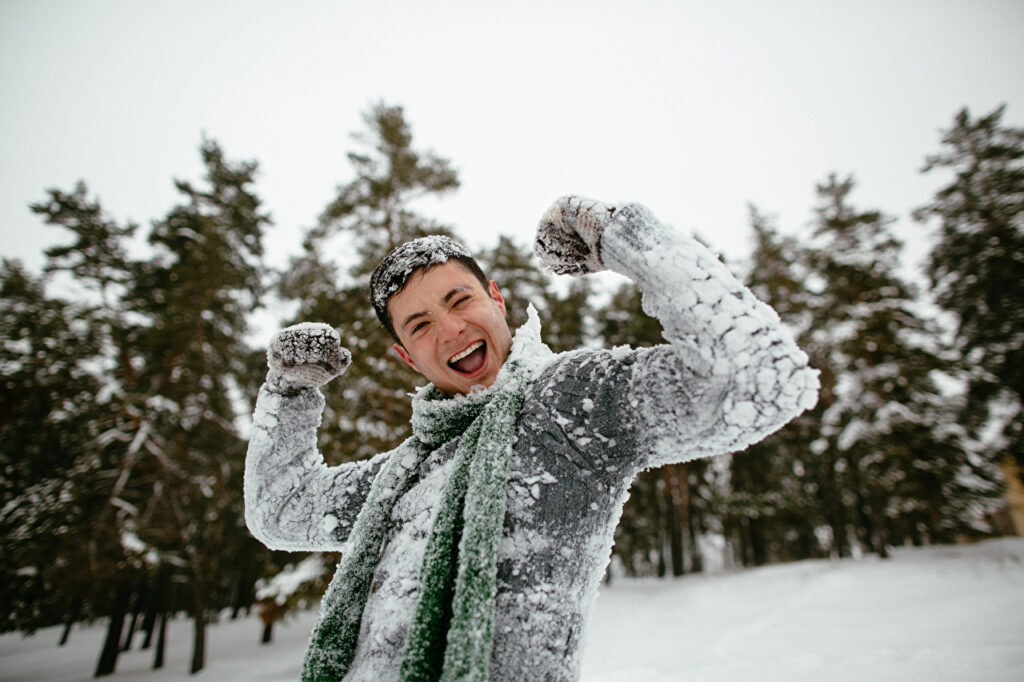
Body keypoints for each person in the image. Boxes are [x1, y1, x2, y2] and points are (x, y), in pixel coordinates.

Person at [244, 196, 819, 682]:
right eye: (419, 325)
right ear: (406, 356)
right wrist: (289, 394)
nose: (451, 330)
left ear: (497, 298)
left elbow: (761, 379)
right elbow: (280, 510)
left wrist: (619, 236)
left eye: (459, 299)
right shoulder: (403, 474)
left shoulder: (572, 405)